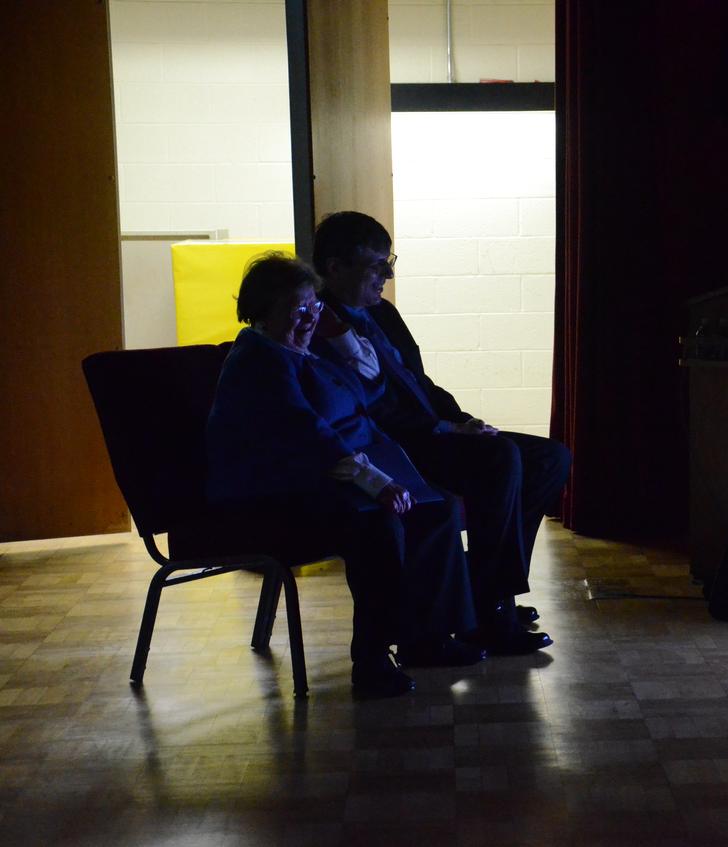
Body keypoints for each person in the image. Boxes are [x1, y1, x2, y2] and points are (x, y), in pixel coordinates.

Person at [205, 254, 484, 698]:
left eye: (314, 307)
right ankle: (371, 657)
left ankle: (425, 637)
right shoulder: (259, 359)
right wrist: (378, 482)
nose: (308, 319)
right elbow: (307, 433)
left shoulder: (306, 352)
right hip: (278, 489)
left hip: (337, 474)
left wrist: (337, 334)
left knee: (438, 506)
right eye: (297, 311)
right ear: (263, 313)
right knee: (377, 523)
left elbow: (367, 391)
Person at [308, 211, 568, 654]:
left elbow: (419, 383)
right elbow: (368, 408)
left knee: (550, 457)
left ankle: (485, 591)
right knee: (500, 459)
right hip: (398, 447)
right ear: (335, 268)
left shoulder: (382, 314)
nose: (386, 276)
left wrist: (461, 420)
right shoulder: (316, 326)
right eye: (375, 266)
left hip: (433, 430)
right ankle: (491, 607)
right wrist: (441, 427)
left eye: (389, 261)